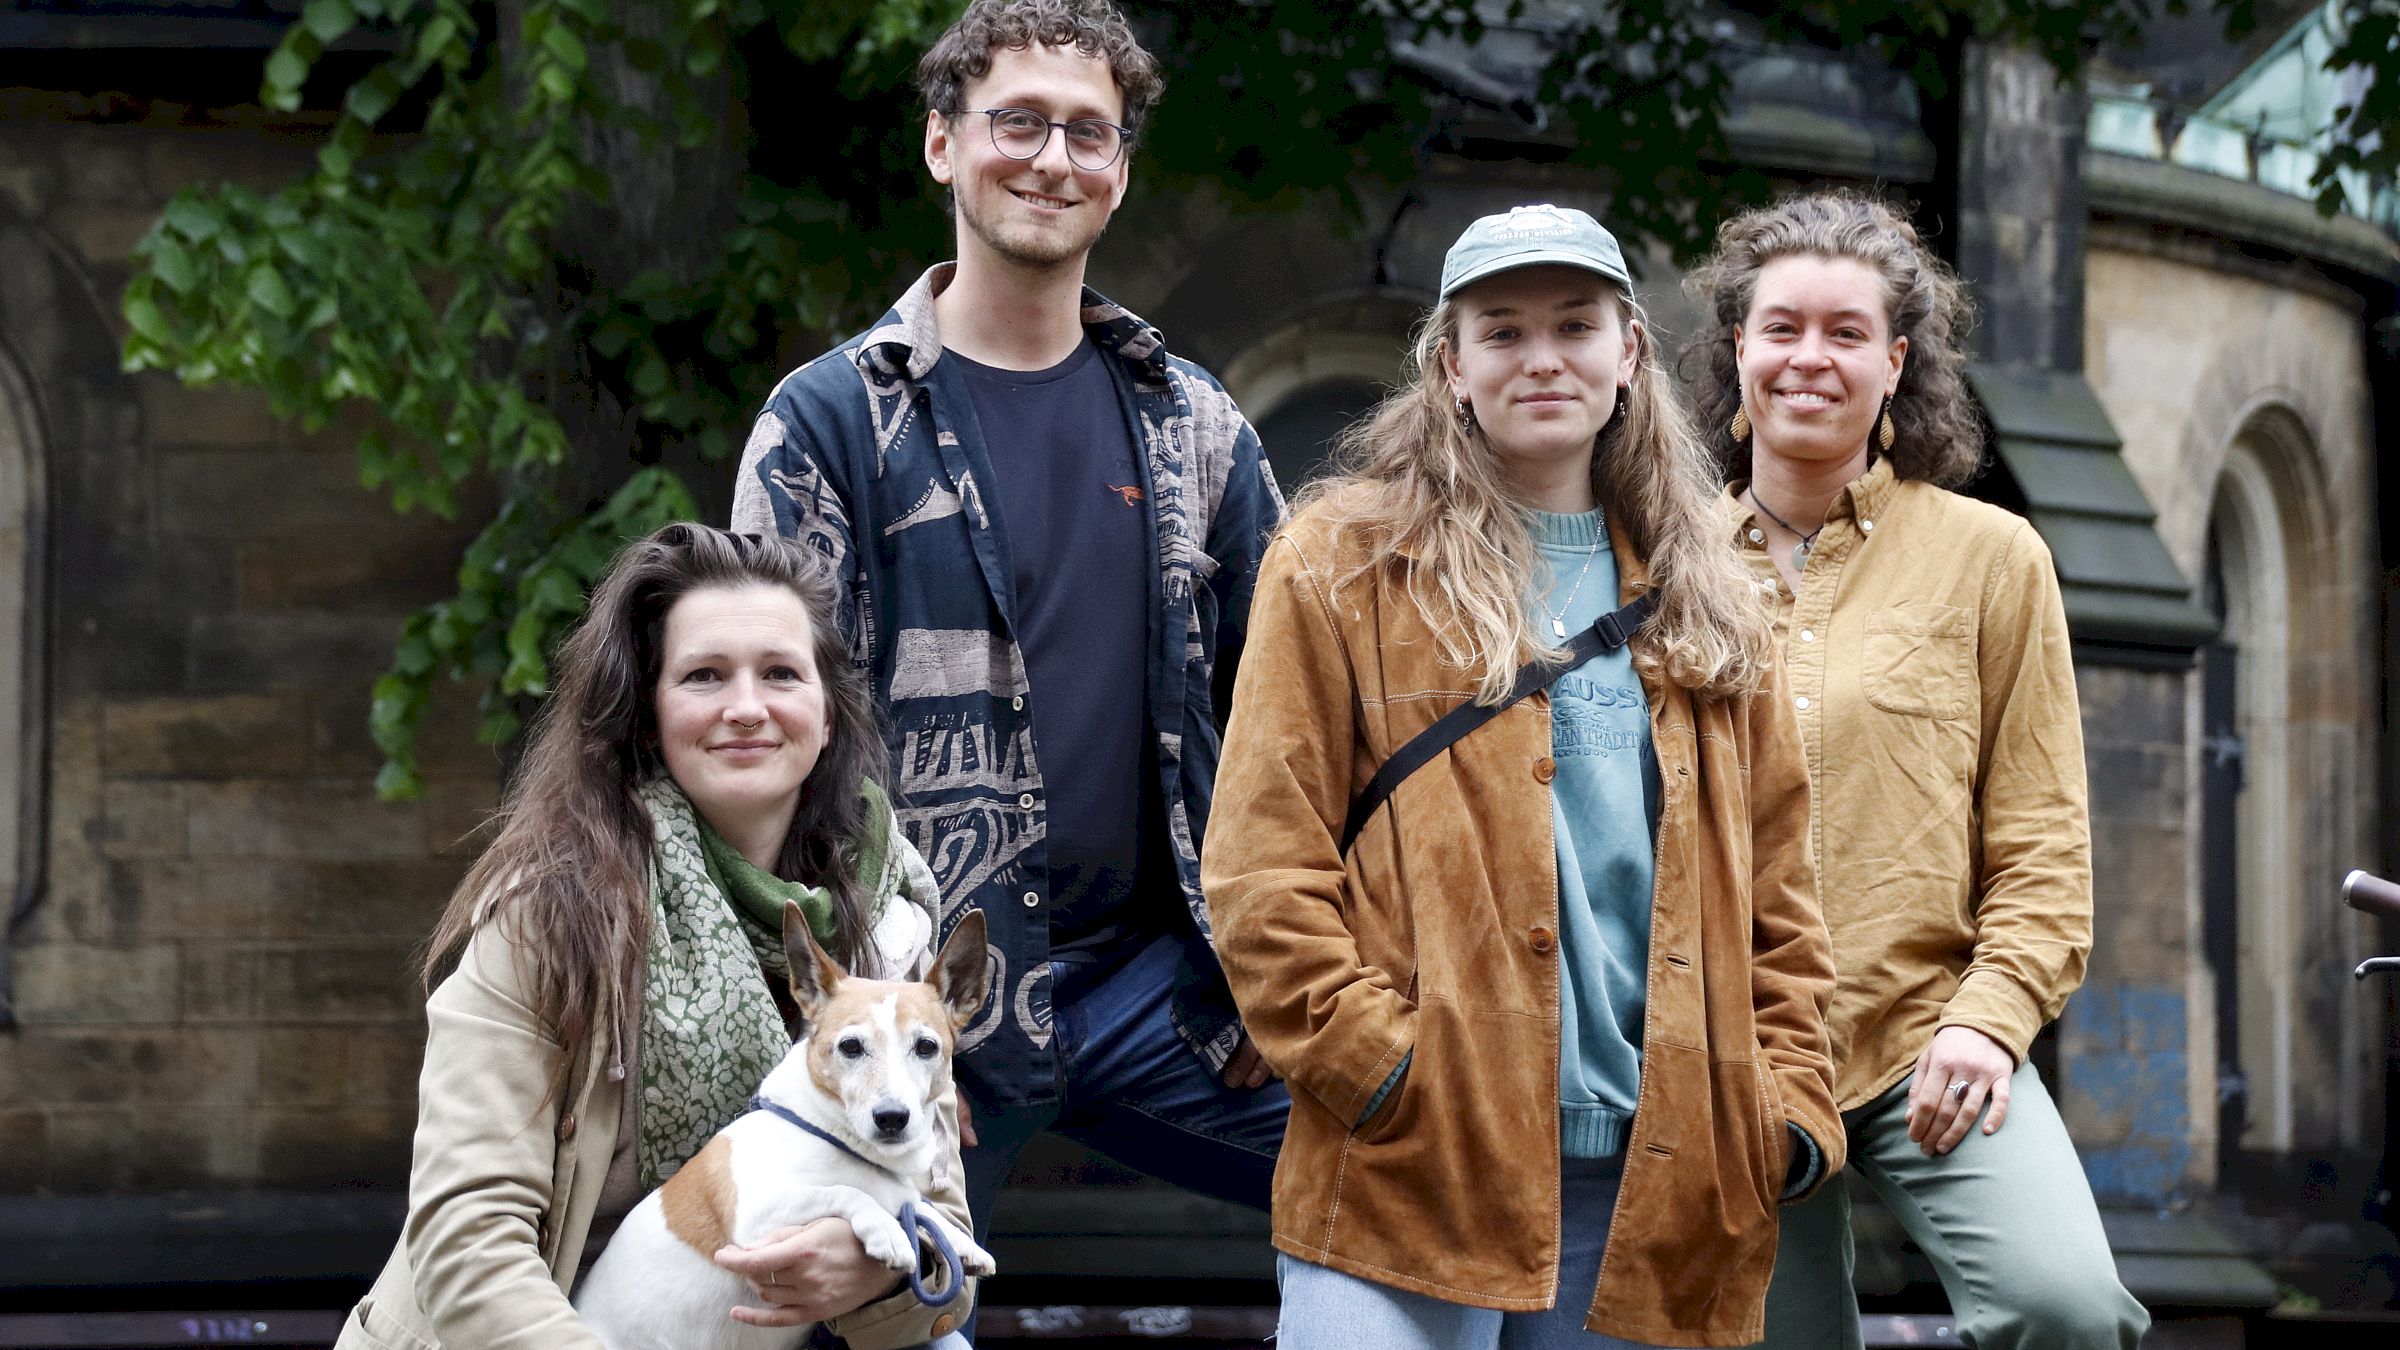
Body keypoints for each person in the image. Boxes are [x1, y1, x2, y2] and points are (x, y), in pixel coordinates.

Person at [730, 0, 1289, 1312]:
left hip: (1170, 991)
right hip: (912, 1001)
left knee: (1431, 1158)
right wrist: (863, 1041)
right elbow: (757, 754)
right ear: (942, 147)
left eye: (1087, 132)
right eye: (1016, 123)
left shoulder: (1194, 424)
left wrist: (1284, 972)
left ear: (1120, 171)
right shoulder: (830, 421)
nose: (1051, 157)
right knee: (843, 1295)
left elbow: (1295, 714)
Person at [1202, 203, 1842, 1349]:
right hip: (1414, 1170)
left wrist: (1782, 1113)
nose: (1541, 359)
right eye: (1501, 332)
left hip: (1659, 1195)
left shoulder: (1717, 595)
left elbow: (1784, 906)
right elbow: (1260, 865)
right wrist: (1380, 1069)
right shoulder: (1345, 562)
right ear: (1450, 366)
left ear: (1628, 354)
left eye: (1574, 326)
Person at [1681, 190, 2150, 1349]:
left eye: (1847, 334)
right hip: (1731, 1058)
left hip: (1928, 1036)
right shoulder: (1658, 563)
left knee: (2067, 1310)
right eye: (1781, 327)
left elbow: (2044, 845)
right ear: (1737, 349)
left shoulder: (1991, 559)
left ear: (1895, 365)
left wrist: (1990, 1024)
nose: (1810, 359)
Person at [336, 524, 973, 1350]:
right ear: (648, 714)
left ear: (825, 711)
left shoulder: (890, 915)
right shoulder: (551, 909)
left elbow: (943, 1230)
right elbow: (467, 1237)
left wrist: (875, 1271)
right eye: (704, 676)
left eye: (781, 673)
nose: (746, 707)